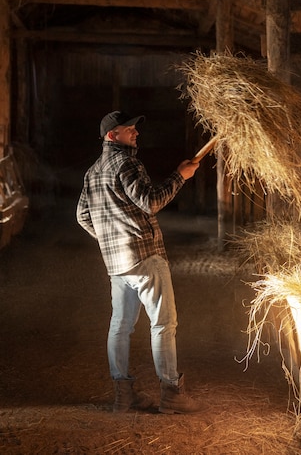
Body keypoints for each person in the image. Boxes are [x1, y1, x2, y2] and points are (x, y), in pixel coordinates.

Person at [76, 110, 202, 414]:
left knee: (120, 326)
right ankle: (171, 392)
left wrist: (110, 240)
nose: (136, 132)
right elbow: (151, 202)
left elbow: (82, 216)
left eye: (135, 128)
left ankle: (124, 395)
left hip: (117, 263)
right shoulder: (127, 162)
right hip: (145, 257)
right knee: (163, 324)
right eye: (128, 128)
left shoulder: (93, 171)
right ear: (111, 136)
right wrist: (180, 177)